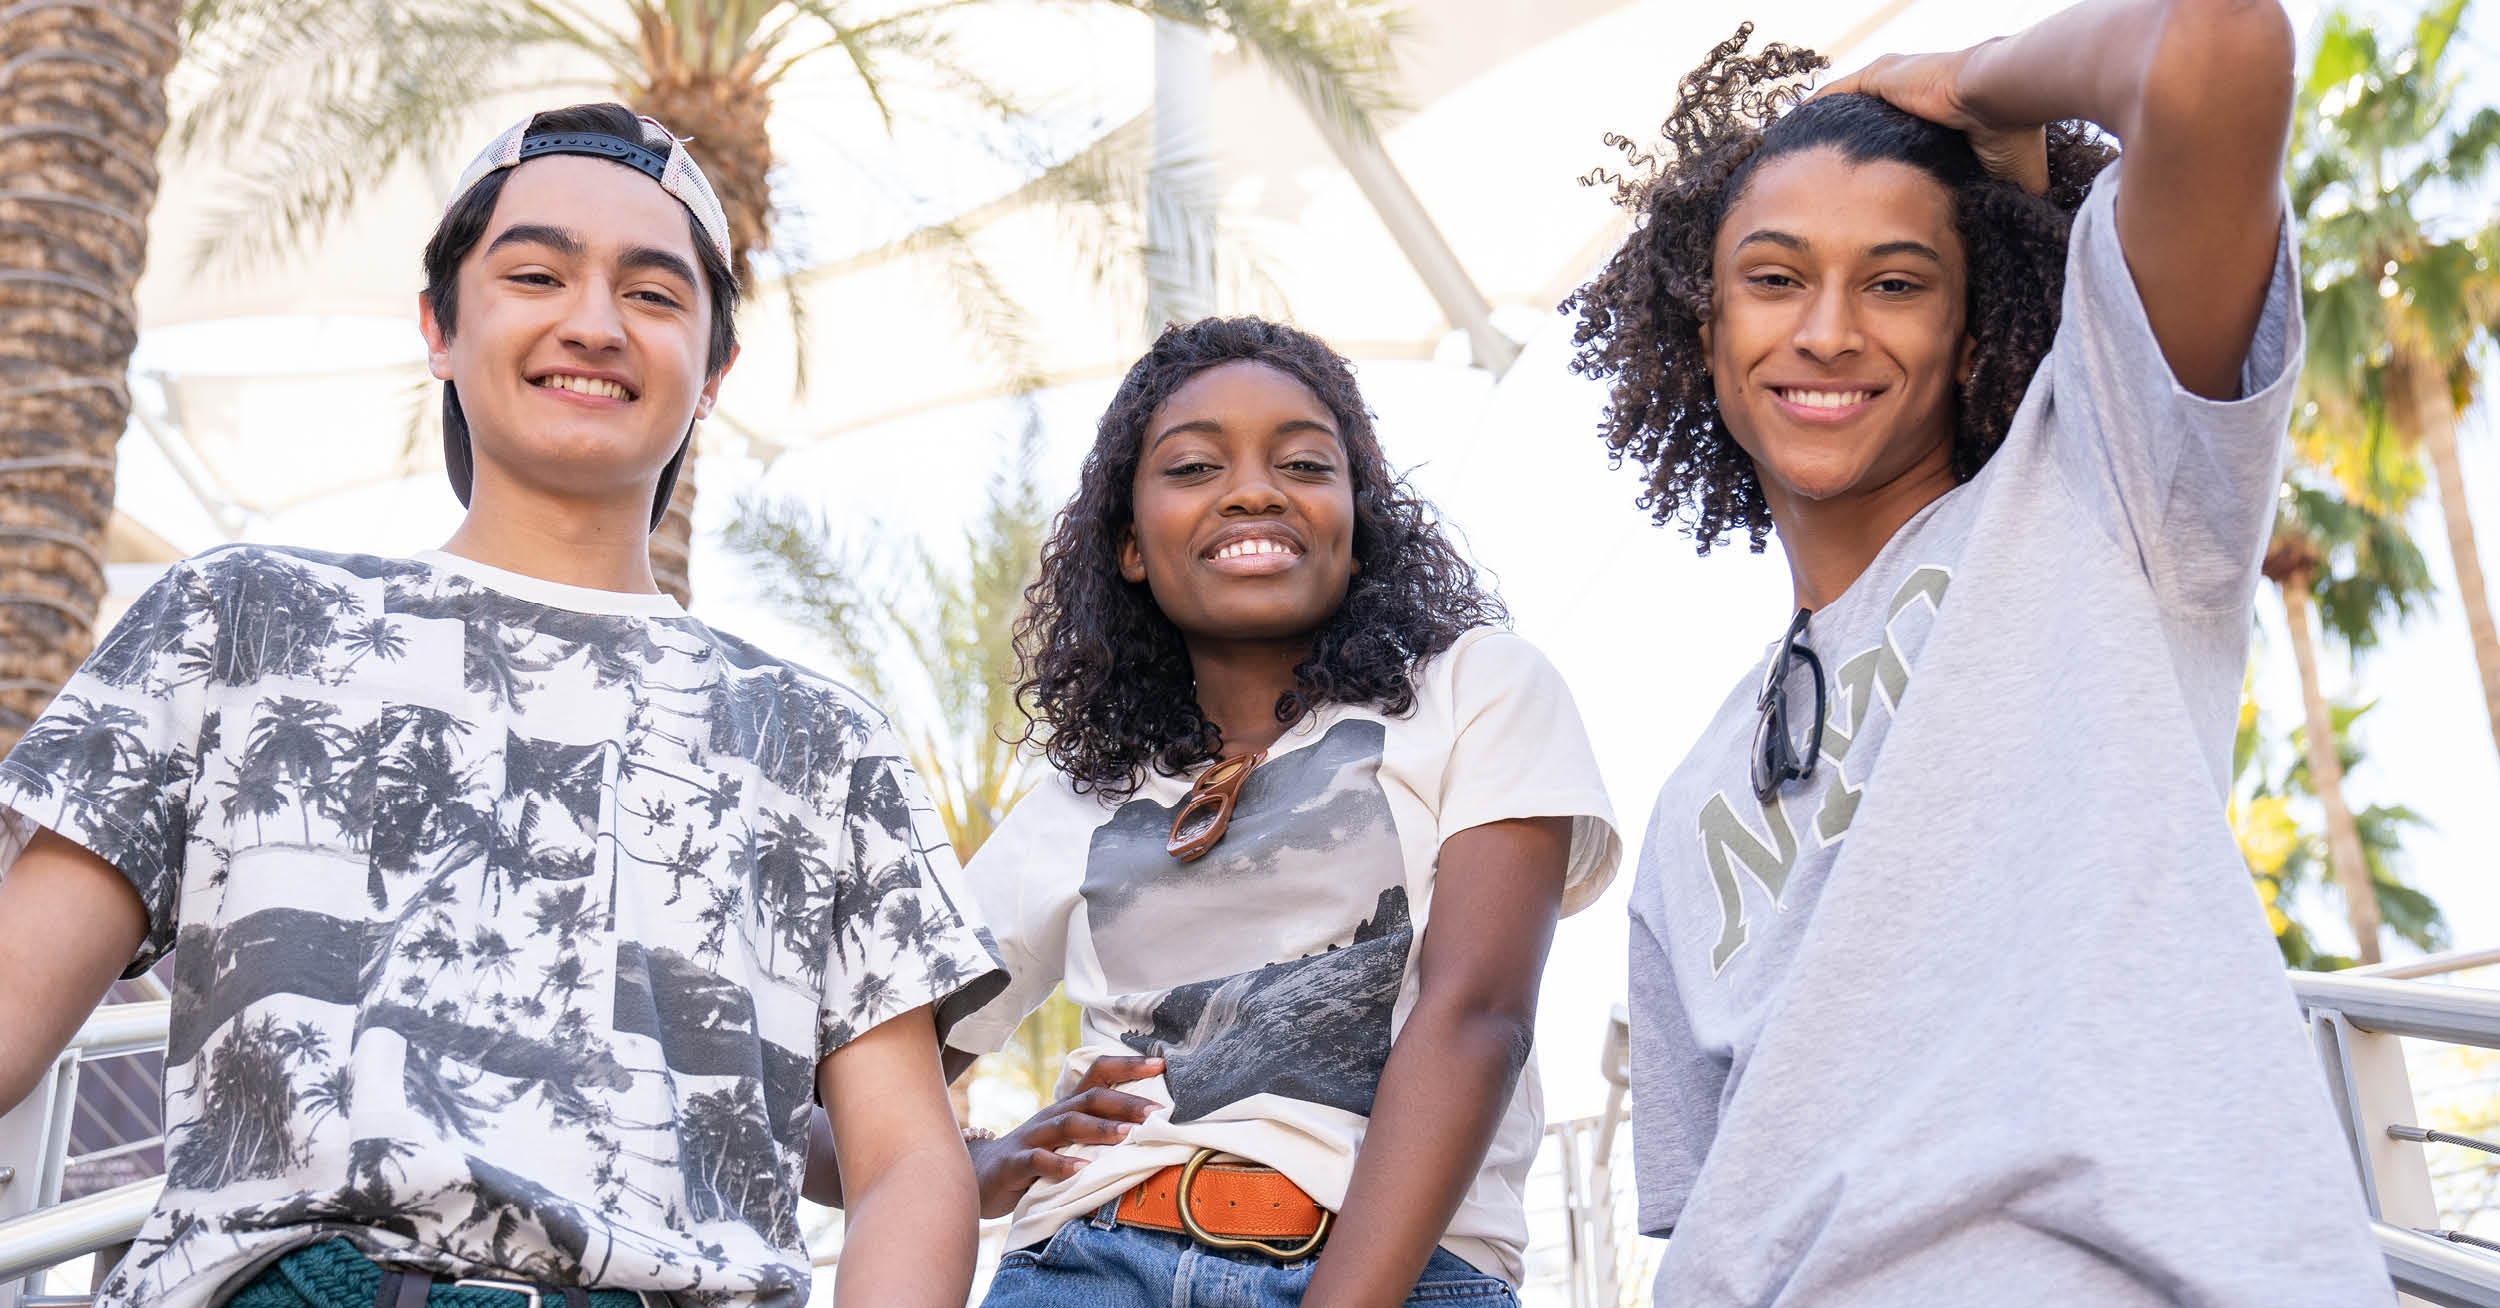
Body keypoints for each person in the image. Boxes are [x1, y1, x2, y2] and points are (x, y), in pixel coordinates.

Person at [0, 104, 1000, 1308]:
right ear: (439, 325)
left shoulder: (820, 741)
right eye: (534, 273)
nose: (592, 322)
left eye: (654, 293)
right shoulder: (239, 620)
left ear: (715, 370)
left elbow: (903, 1164)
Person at [1567, 7, 2390, 1303]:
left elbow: (2217, 45)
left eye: (1895, 280)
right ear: (1701, 327)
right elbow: (1712, 1217)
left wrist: (1970, 88)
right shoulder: (1686, 813)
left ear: (1976, 316)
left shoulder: (2103, 480)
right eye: (1774, 278)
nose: (1827, 330)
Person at [927, 316, 1617, 1305]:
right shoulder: (1074, 808)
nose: (1253, 489)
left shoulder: (1480, 692)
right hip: (1088, 1268)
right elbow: (835, 1104)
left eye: (1301, 462)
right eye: (1194, 467)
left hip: (1406, 1273)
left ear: (1355, 518)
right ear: (1129, 545)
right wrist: (976, 1166)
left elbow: (1478, 1015)